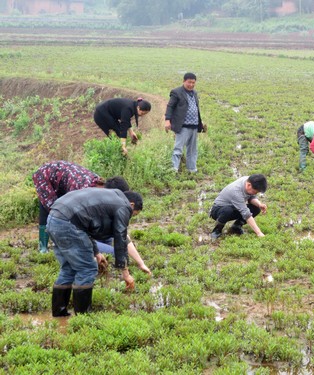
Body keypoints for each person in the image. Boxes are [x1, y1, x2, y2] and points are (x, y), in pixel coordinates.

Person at [32, 161, 151, 276]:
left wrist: (140, 262)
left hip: (61, 177)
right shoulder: (82, 191)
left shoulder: (102, 190)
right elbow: (77, 224)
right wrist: (100, 252)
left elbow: (120, 231)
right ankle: (44, 247)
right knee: (54, 209)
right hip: (45, 176)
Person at [46, 188, 143, 316]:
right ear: (131, 205)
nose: (130, 217)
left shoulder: (112, 196)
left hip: (54, 218)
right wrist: (125, 273)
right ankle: (84, 316)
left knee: (68, 268)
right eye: (133, 214)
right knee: (87, 269)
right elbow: (120, 236)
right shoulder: (124, 206)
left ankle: (59, 313)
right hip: (68, 222)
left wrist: (96, 253)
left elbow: (85, 224)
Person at [164, 72, 206, 173]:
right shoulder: (176, 92)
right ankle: (173, 170)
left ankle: (191, 169)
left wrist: (201, 122)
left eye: (193, 83)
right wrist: (167, 120)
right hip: (183, 126)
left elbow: (195, 108)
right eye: (189, 82)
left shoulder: (195, 93)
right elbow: (170, 106)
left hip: (194, 126)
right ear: (184, 81)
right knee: (178, 149)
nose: (191, 85)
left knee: (192, 149)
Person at [209, 174, 268, 240]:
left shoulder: (249, 181)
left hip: (234, 207)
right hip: (218, 210)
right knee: (227, 210)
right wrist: (259, 233)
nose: (255, 193)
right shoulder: (236, 191)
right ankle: (217, 230)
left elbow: (251, 197)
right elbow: (246, 214)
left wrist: (259, 204)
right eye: (255, 192)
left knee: (256, 208)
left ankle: (236, 226)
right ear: (249, 185)